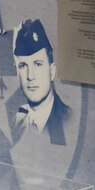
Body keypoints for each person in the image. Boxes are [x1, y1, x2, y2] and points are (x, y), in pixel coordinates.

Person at [12, 20, 71, 149]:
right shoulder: (18, 119)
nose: (30, 76)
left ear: (52, 71)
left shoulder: (68, 120)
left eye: (38, 64)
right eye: (22, 66)